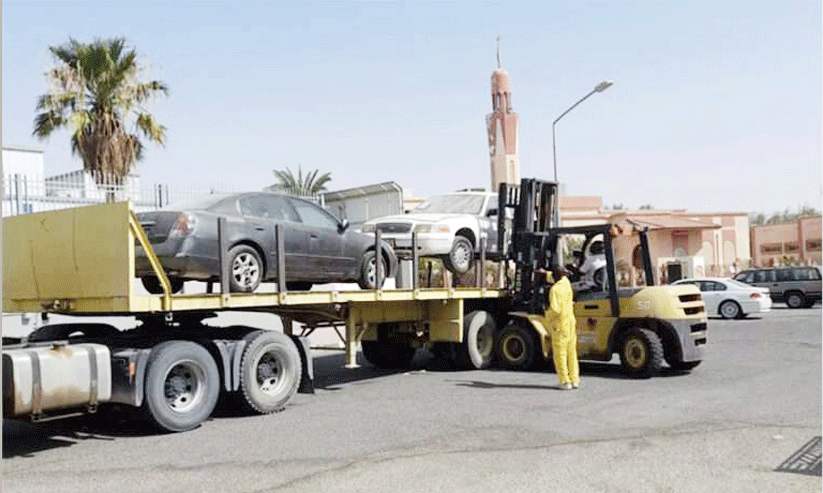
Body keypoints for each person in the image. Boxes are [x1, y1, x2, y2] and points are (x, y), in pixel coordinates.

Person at [545, 265, 580, 390]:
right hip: (570, 321)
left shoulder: (555, 290)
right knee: (572, 352)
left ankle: (565, 381)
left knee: (560, 354)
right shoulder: (566, 284)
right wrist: (545, 273)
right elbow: (557, 276)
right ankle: (574, 379)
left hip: (560, 324)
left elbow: (555, 309)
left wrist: (547, 316)